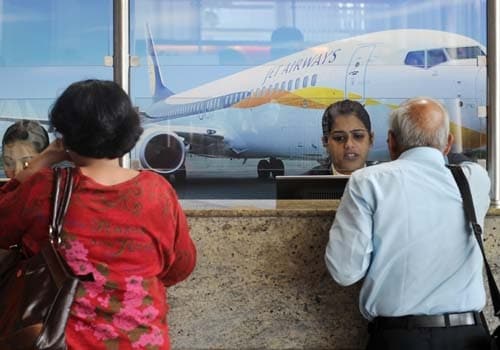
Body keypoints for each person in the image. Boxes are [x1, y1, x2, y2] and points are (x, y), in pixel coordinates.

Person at [0, 79, 196, 349]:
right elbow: (181, 265)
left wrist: (41, 161)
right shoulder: (157, 192)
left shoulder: (45, 188)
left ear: (65, 134)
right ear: (128, 129)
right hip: (143, 341)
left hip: (64, 341)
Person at [324, 97, 491, 349]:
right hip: (468, 338)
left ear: (391, 142)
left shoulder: (367, 182)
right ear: (447, 144)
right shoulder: (475, 180)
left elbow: (345, 272)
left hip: (400, 338)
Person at [306, 99, 374, 175]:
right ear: (325, 141)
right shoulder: (302, 184)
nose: (349, 145)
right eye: (339, 138)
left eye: (358, 136)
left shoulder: (385, 181)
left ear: (371, 139)